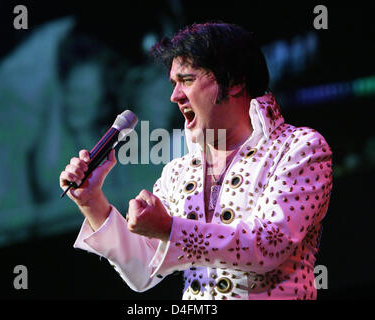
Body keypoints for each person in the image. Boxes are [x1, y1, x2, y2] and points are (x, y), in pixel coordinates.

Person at [59, 22, 332, 300]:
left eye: (187, 80)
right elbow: (143, 271)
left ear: (235, 82)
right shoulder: (178, 171)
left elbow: (267, 245)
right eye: (174, 83)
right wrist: (91, 200)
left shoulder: (299, 148)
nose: (175, 96)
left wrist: (169, 228)